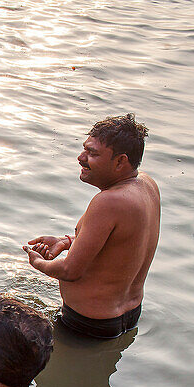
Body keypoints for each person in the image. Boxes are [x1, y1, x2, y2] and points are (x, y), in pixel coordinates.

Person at [23, 114, 160, 338]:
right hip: (128, 313)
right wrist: (67, 242)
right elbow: (118, 245)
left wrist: (37, 262)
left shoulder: (108, 201)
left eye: (92, 153)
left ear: (120, 161)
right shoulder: (147, 185)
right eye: (84, 149)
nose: (80, 157)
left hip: (88, 323)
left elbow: (69, 271)